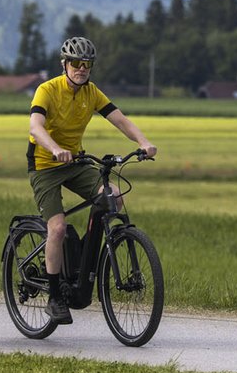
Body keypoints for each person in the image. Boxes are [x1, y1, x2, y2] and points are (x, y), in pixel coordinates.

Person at [26, 35, 157, 325]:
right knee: (57, 228)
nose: (81, 68)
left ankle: (82, 253)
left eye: (86, 64)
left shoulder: (92, 92)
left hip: (76, 162)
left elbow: (120, 119)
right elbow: (36, 127)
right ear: (64, 64)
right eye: (75, 63)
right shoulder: (47, 90)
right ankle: (55, 297)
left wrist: (144, 142)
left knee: (114, 197)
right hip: (45, 164)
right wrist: (56, 148)